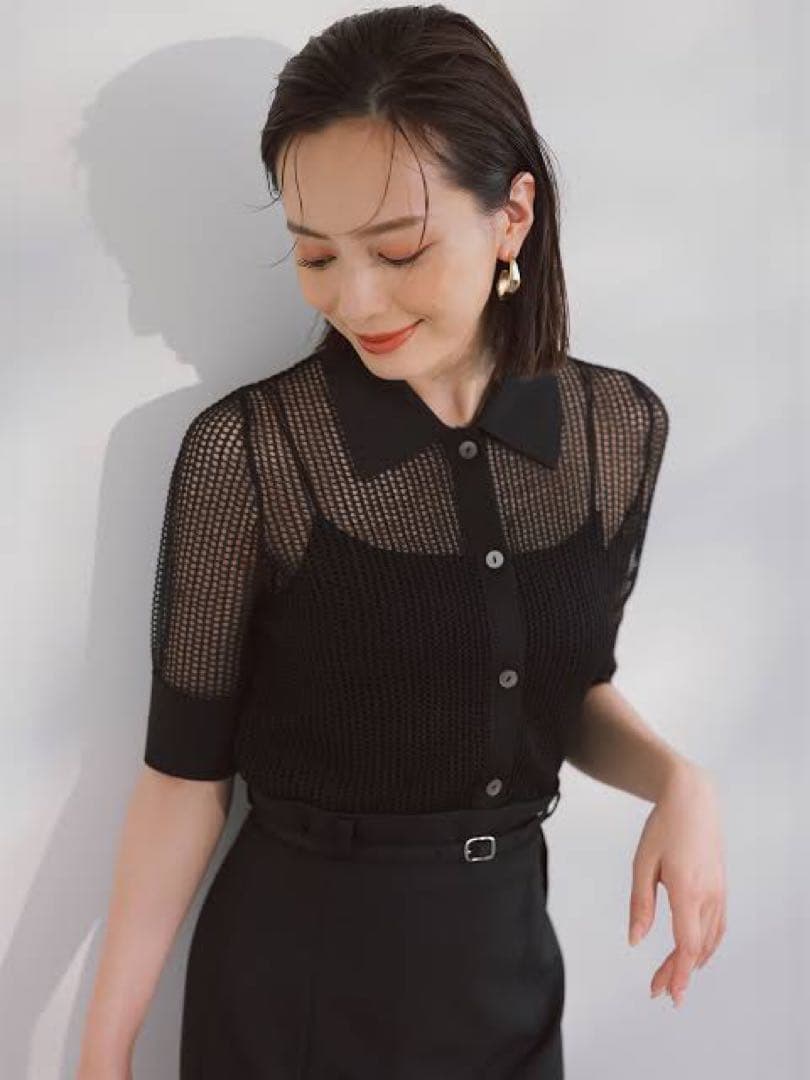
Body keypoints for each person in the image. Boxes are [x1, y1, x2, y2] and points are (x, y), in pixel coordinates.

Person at [77, 5, 727, 1078]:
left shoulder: (617, 430)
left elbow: (556, 691)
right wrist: (100, 1057)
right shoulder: (254, 453)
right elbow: (184, 780)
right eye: (315, 254)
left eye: (397, 248)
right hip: (299, 990)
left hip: (509, 975)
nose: (355, 298)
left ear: (512, 215)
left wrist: (679, 780)